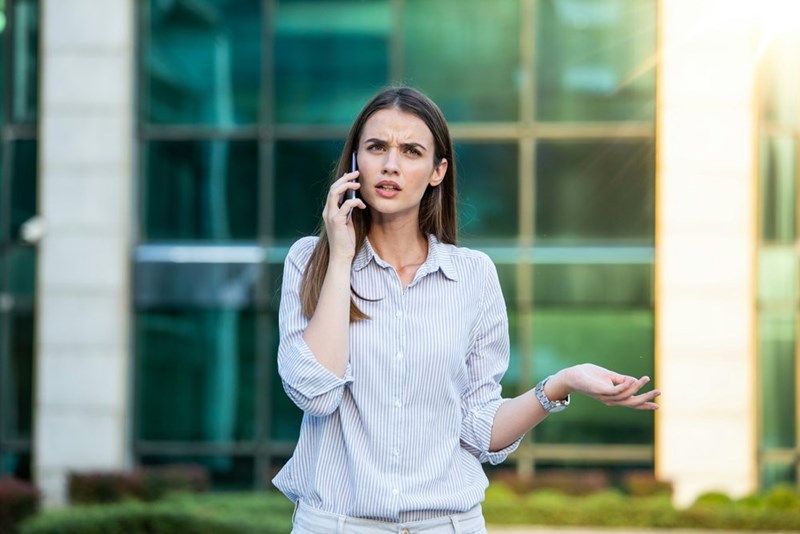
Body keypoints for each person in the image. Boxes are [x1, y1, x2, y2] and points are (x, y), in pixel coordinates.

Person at [272, 86, 660, 534]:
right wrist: (341, 257)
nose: (391, 164)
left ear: (438, 171)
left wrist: (562, 382)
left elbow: (480, 430)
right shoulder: (311, 261)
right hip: (337, 524)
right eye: (376, 147)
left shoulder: (472, 276)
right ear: (355, 161)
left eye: (411, 151)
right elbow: (314, 394)